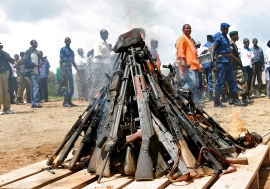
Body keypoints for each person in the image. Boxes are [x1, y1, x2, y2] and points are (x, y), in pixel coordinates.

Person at [210, 23, 246, 107]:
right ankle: (217, 102)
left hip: (228, 62)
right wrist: (212, 61)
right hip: (221, 62)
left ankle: (236, 100)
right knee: (220, 82)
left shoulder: (226, 38)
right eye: (224, 29)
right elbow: (213, 48)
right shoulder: (219, 38)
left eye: (227, 29)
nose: (225, 30)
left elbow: (229, 53)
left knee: (232, 80)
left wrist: (236, 59)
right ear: (221, 29)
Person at [176, 24, 202, 105]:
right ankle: (180, 92)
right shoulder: (182, 38)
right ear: (182, 29)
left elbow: (194, 54)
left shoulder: (190, 39)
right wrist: (182, 61)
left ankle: (194, 103)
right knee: (192, 82)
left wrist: (199, 66)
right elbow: (180, 50)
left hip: (194, 65)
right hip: (188, 65)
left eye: (189, 28)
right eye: (186, 28)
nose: (188, 30)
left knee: (194, 86)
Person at [229, 31, 253, 104]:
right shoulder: (231, 44)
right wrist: (237, 60)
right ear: (233, 36)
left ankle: (233, 99)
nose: (238, 36)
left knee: (235, 82)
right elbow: (230, 54)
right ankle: (243, 98)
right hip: (234, 66)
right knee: (242, 81)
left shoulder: (233, 44)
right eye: (236, 35)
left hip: (234, 66)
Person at [88, 29, 112, 104]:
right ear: (101, 35)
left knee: (102, 84)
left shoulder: (106, 43)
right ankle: (91, 102)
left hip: (104, 66)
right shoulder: (98, 43)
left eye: (107, 34)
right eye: (105, 34)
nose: (106, 35)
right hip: (98, 66)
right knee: (96, 84)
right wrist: (108, 57)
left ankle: (98, 101)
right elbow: (98, 55)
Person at [59, 37, 80, 107]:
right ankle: (65, 102)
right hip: (65, 67)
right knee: (66, 85)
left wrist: (78, 70)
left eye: (69, 41)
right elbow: (60, 60)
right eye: (67, 41)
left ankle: (69, 101)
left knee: (71, 85)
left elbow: (73, 62)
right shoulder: (63, 49)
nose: (68, 42)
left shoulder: (71, 51)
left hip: (70, 67)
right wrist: (62, 71)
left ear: (70, 42)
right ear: (65, 41)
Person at [23, 40, 43, 108]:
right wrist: (35, 65)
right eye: (34, 43)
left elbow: (38, 61)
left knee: (34, 87)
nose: (36, 44)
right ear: (31, 44)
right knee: (36, 86)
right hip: (31, 71)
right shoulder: (28, 52)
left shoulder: (37, 52)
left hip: (36, 72)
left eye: (36, 43)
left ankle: (33, 102)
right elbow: (25, 61)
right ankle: (36, 102)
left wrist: (39, 64)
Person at [0, 43, 15, 114]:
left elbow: (12, 60)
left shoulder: (4, 54)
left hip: (4, 73)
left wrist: (3, 53)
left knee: (5, 91)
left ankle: (6, 108)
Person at [202, 35, 214, 101]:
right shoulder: (212, 45)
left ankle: (209, 95)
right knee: (210, 80)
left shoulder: (203, 46)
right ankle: (210, 95)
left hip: (204, 65)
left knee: (207, 79)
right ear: (210, 39)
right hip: (210, 65)